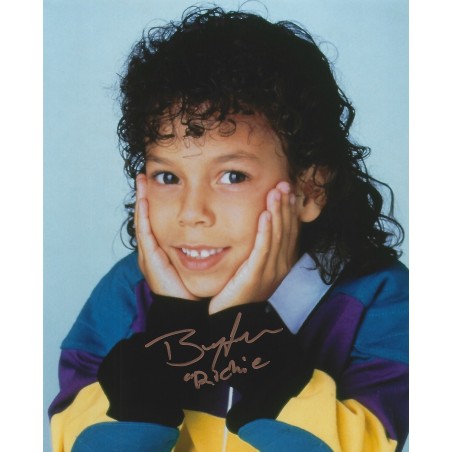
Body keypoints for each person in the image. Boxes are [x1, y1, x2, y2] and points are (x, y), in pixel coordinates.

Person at [48, 6, 408, 452]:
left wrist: (245, 331)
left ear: (310, 188)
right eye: (168, 176)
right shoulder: (126, 291)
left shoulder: (379, 300)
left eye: (233, 176)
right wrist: (171, 329)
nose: (191, 212)